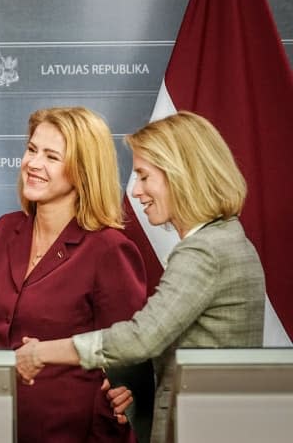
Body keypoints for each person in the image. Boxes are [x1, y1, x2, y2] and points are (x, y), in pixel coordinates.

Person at [15, 111, 266, 443]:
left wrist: (41, 353)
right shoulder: (228, 239)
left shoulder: (205, 252)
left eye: (145, 176)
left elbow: (141, 338)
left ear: (181, 175)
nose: (136, 192)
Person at [0, 107, 152, 442]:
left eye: (51, 156)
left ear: (83, 171)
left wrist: (123, 397)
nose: (33, 164)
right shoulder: (5, 230)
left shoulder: (109, 249)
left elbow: (128, 357)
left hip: (74, 433)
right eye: (31, 150)